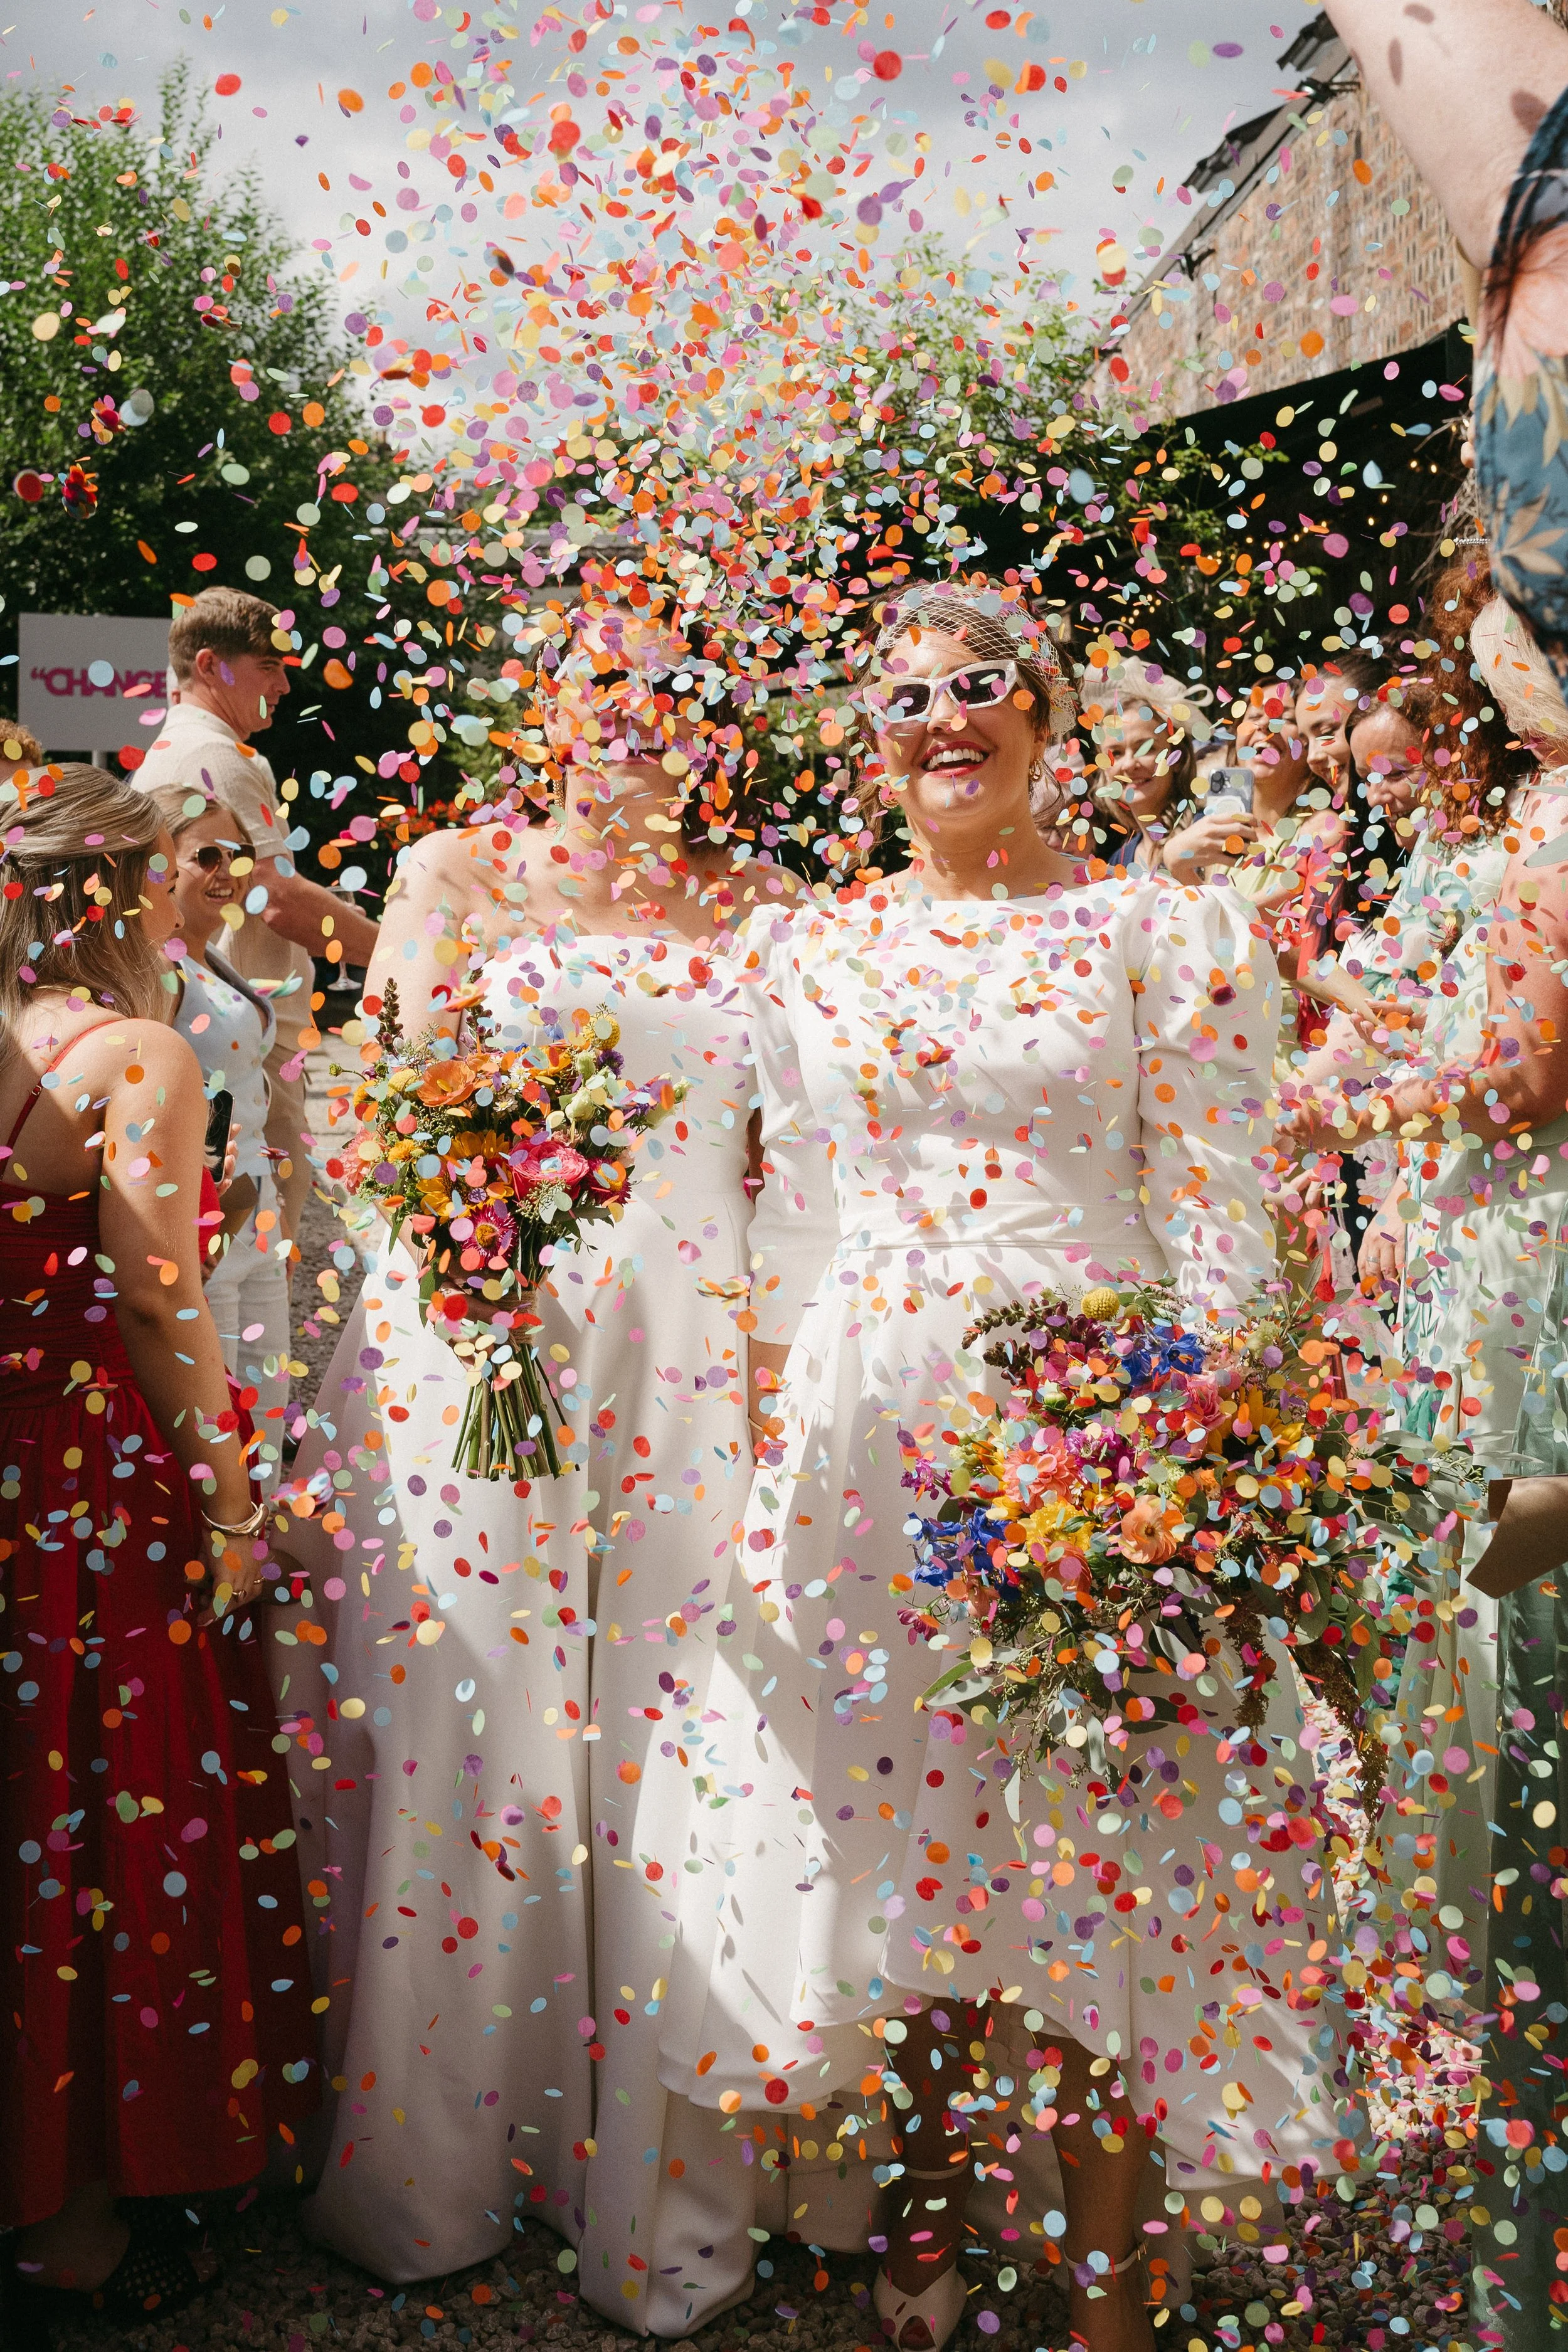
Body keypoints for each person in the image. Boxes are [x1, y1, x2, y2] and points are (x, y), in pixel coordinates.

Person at [659, 587, 1353, 2352]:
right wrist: (766, 1439)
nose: (941, 719)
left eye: (979, 686)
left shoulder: (1159, 924)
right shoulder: (810, 946)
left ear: (1047, 713)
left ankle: (1109, 2286)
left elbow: (1217, 1213)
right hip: (867, 1443)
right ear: (867, 740)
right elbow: (795, 1211)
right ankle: (919, 2219)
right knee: (898, 1843)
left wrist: (1192, 1464)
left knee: (1101, 1857)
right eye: (902, 697)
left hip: (1095, 1436)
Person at [270, 596, 798, 2326]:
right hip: (488, 1320)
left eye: (674, 687)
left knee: (674, 1703)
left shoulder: (769, 905)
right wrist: (471, 1236)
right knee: (483, 1708)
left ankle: (655, 2139)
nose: (639, 713)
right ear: (550, 709)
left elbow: (786, 1145)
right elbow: (397, 1086)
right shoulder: (451, 872)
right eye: (606, 685)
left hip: (696, 1337)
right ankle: (457, 2146)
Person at [0, 765, 315, 2339]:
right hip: (85, 1470)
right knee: (97, 1792)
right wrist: (233, 1498)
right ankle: (78, 2216)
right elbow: (153, 1292)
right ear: (123, 898)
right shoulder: (144, 1051)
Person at [135, 587, 379, 1246]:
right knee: (258, 1261)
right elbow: (276, 899)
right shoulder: (217, 756)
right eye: (269, 666)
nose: (283, 683)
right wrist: (392, 952)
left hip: (230, 1032)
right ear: (212, 665)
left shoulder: (194, 746)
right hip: (240, 1047)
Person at [146, 779, 291, 1487]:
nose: (227, 870)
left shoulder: (212, 955)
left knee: (267, 1419)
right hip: (206, 1222)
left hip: (253, 1212)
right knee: (222, 1430)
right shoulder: (155, 973)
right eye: (206, 853)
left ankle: (257, 1577)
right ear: (160, 863)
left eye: (237, 852)